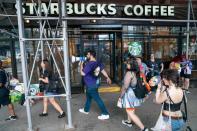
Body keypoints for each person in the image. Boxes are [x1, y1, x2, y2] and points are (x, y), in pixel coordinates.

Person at [79, 50, 111, 120]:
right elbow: (103, 71)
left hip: (91, 85)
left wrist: (81, 65)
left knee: (98, 99)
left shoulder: (89, 64)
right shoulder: (98, 62)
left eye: (87, 55)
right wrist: (107, 77)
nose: (87, 56)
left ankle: (105, 114)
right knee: (88, 98)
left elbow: (82, 73)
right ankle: (86, 110)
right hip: (94, 83)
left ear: (91, 55)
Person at [119, 59, 148, 131]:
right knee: (130, 108)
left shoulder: (129, 73)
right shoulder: (139, 72)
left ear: (132, 65)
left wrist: (120, 96)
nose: (127, 65)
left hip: (130, 94)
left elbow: (125, 87)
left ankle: (143, 128)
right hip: (136, 92)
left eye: (128, 64)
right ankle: (129, 122)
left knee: (130, 111)